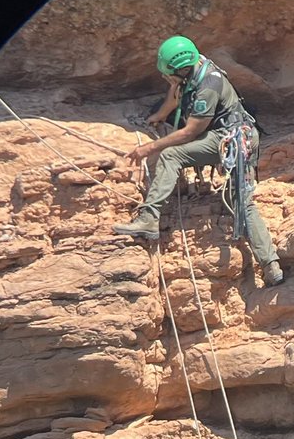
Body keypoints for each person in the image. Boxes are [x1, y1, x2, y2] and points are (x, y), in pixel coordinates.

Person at [113, 35, 284, 287]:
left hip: (232, 139)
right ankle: (272, 265)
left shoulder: (208, 86)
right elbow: (176, 92)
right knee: (242, 203)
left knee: (175, 157)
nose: (165, 78)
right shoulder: (196, 66)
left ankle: (149, 218)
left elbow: (190, 131)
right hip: (234, 135)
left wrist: (150, 147)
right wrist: (159, 116)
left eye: (168, 74)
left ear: (179, 70)